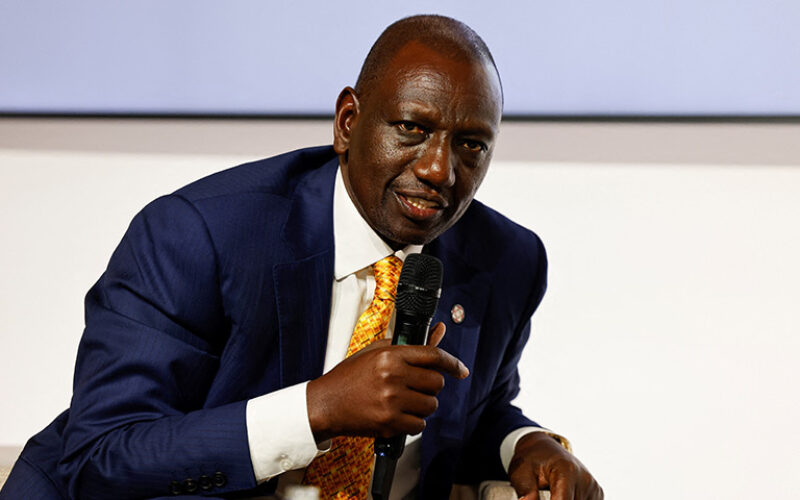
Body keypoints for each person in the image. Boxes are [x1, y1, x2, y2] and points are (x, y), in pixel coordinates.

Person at [1, 15, 602, 500]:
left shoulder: (507, 261)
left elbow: (475, 408)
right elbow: (101, 456)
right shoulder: (197, 235)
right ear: (348, 123)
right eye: (412, 129)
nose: (439, 169)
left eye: (471, 144)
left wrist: (525, 444)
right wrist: (318, 407)